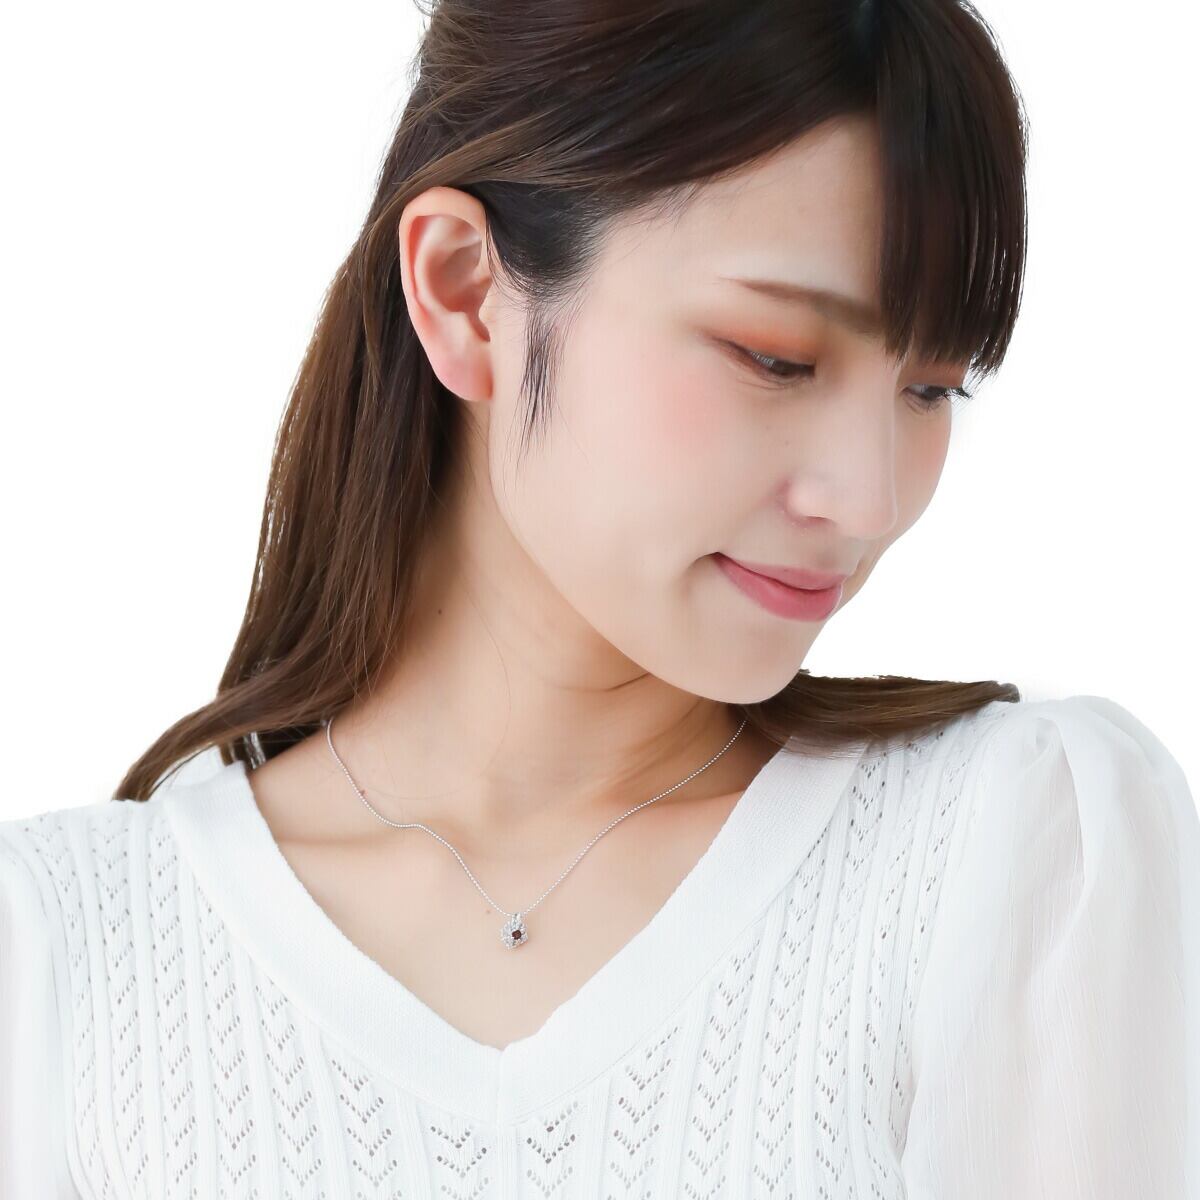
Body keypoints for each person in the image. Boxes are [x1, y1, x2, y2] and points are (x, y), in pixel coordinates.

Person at [2, 0, 1197, 1195]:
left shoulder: (1014, 858)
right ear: (464, 290)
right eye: (776, 357)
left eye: (932, 389)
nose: (869, 497)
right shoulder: (68, 953)